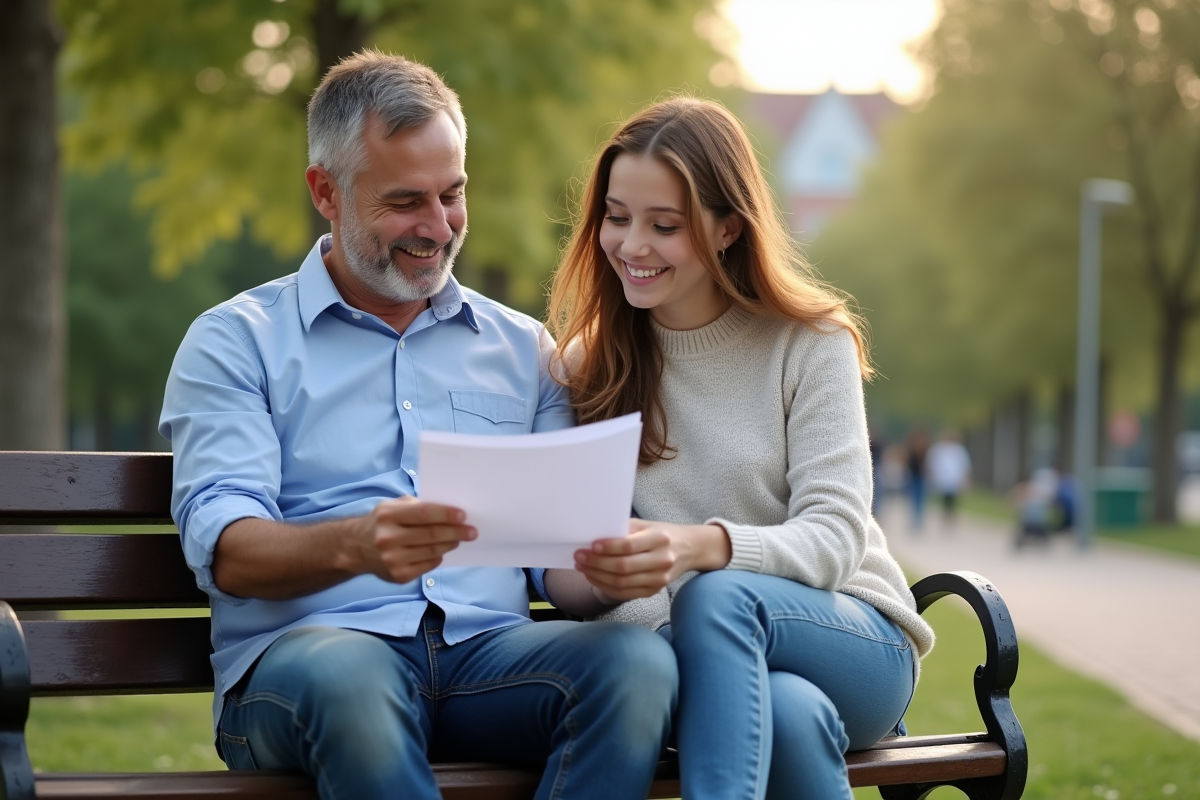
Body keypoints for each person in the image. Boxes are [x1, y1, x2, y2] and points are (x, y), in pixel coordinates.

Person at [158, 51, 676, 800]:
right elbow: (229, 551)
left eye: (453, 195)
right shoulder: (237, 341)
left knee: (635, 664)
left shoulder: (523, 351)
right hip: (309, 666)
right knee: (353, 678)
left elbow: (555, 572)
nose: (438, 228)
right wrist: (357, 543)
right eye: (406, 202)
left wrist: (599, 569)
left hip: (487, 660)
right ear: (325, 192)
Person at [541, 98, 935, 800]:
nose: (631, 245)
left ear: (727, 229)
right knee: (788, 715)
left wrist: (697, 547)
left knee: (720, 600)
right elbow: (567, 569)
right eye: (616, 216)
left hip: (851, 637)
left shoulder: (811, 344)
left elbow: (836, 536)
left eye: (664, 225)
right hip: (695, 658)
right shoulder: (585, 365)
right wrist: (612, 578)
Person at [926, 430, 971, 526]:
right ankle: (945, 515)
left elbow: (964, 465)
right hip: (942, 478)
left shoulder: (959, 450)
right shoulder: (938, 449)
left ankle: (950, 515)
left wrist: (965, 479)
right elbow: (932, 463)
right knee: (944, 498)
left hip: (955, 478)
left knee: (953, 499)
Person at [905, 427, 930, 530]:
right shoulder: (912, 449)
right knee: (914, 500)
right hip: (913, 476)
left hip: (921, 477)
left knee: (920, 500)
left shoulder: (925, 449)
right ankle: (915, 521)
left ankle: (918, 521)